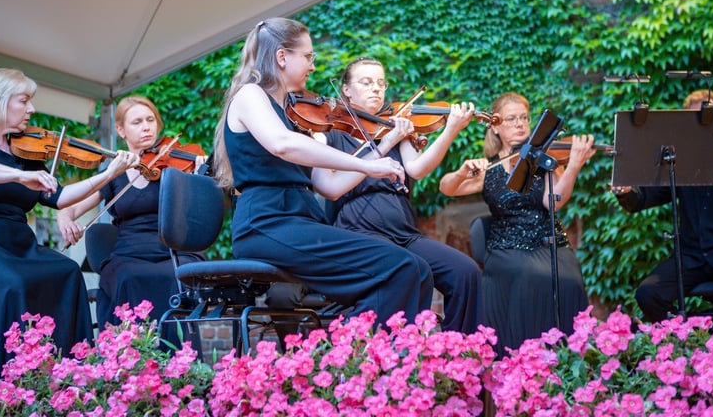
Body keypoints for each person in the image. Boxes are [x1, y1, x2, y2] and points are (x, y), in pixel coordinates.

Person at [212, 17, 434, 328]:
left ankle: (366, 358)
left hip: (298, 221)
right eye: (309, 56)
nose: (313, 66)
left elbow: (329, 186)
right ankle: (338, 360)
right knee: (399, 268)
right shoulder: (251, 96)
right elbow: (281, 145)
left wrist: (379, 154)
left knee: (417, 269)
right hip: (266, 224)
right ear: (282, 57)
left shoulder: (295, 115)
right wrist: (365, 165)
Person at [0, 68, 139, 375]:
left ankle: (69, 373)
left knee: (68, 272)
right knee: (10, 283)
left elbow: (60, 197)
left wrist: (109, 174)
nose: (32, 109)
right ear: (0, 101)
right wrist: (20, 176)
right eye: (24, 101)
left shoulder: (24, 150)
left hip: (14, 245)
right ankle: (1, 378)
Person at [313, 57, 483, 334]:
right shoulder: (330, 133)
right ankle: (403, 353)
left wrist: (450, 129)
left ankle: (459, 352)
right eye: (366, 82)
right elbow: (328, 186)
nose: (376, 89)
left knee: (465, 272)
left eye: (381, 83)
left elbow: (417, 169)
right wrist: (386, 142)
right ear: (346, 89)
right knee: (415, 270)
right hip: (361, 233)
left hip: (405, 233)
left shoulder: (394, 127)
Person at [439, 92, 594, 355]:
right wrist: (462, 172)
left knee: (569, 278)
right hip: (506, 248)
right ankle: (520, 361)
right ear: (495, 126)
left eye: (524, 117)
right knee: (527, 275)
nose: (521, 124)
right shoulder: (488, 168)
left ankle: (567, 362)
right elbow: (447, 188)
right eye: (511, 119)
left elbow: (553, 201)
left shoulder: (542, 161)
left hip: (548, 242)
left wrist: (573, 166)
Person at [57, 95, 207, 336]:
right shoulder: (114, 172)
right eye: (137, 122)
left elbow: (196, 214)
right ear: (121, 130)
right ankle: (127, 359)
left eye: (150, 120)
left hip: (172, 251)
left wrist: (200, 177)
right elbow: (70, 205)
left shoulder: (176, 167)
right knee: (126, 277)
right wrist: (65, 219)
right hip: (129, 253)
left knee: (174, 278)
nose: (146, 127)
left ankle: (179, 364)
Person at [613, 90, 713, 323]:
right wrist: (627, 191)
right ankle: (686, 341)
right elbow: (647, 195)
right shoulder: (682, 162)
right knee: (648, 294)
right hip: (693, 256)